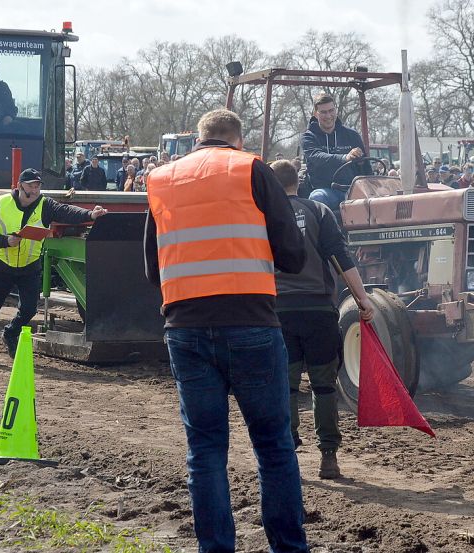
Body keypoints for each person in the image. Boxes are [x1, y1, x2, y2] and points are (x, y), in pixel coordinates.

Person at [144, 109, 308, 552]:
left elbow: (151, 268)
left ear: (197, 140)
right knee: (273, 446)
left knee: (206, 451)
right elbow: (293, 255)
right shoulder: (251, 168)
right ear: (238, 139)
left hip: (185, 328)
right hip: (251, 323)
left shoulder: (161, 179)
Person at [268, 160, 372, 479]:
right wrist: (362, 300)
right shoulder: (320, 211)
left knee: (285, 386)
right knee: (323, 385)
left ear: (271, 184)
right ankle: (328, 456)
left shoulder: (261, 215)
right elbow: (341, 258)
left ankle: (287, 450)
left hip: (278, 312)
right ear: (297, 183)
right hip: (318, 310)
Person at [0, 169, 107, 366]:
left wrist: (90, 214)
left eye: (38, 185)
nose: (35, 189)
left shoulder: (45, 204)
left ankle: (11, 332)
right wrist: (6, 240)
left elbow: (66, 212)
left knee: (29, 309)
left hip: (29, 267)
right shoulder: (1, 203)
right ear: (20, 186)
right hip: (2, 265)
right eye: (31, 185)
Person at [302, 94, 366, 211]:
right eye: (323, 112)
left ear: (335, 110)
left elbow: (366, 167)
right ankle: (326, 228)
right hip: (327, 191)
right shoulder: (309, 137)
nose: (328, 116)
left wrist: (360, 161)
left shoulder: (352, 135)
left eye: (331, 111)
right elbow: (316, 157)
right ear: (315, 114)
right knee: (317, 197)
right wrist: (345, 157)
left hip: (353, 190)